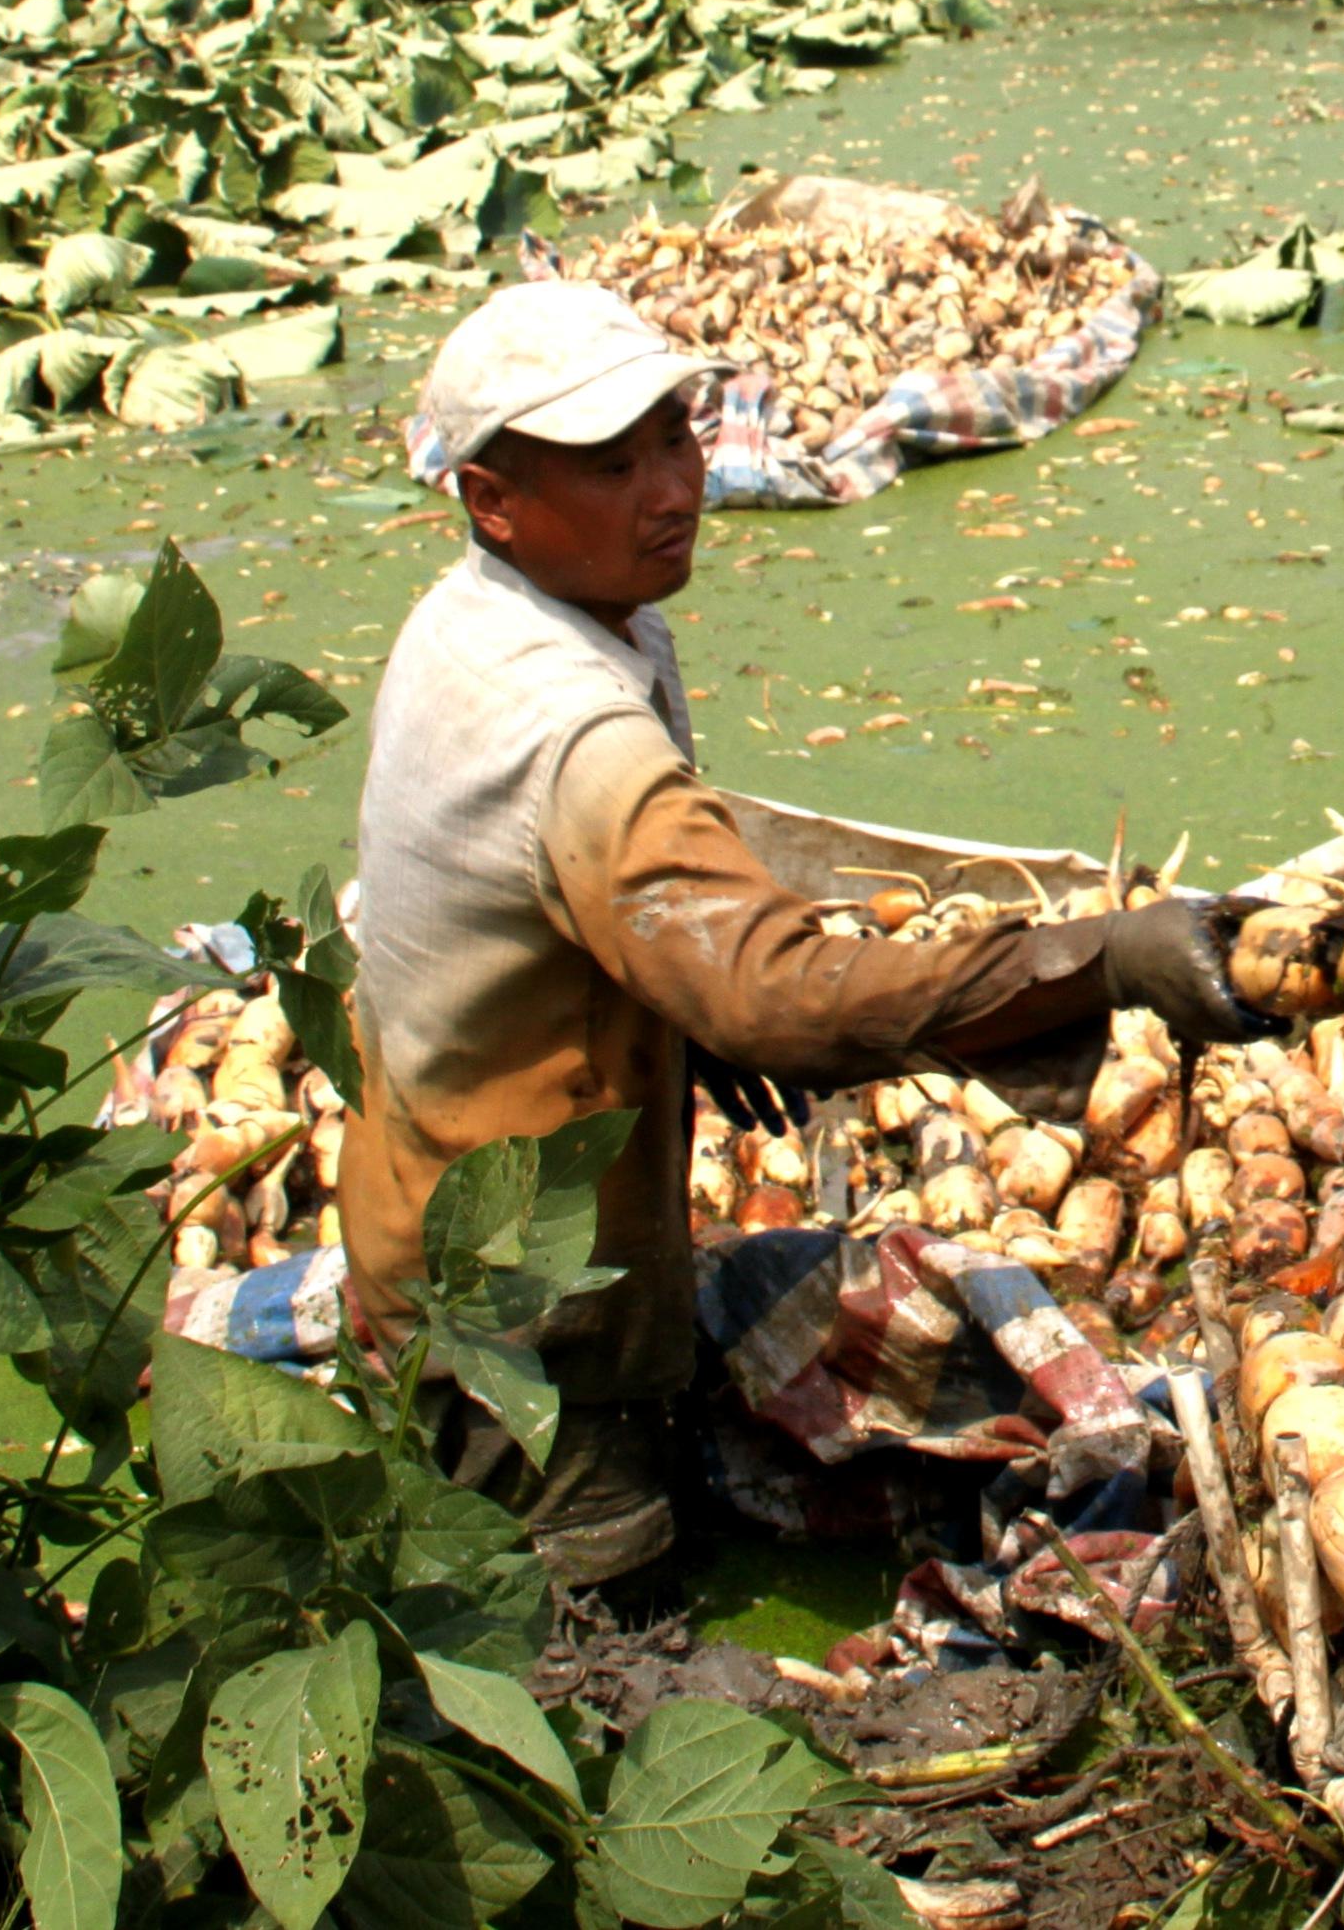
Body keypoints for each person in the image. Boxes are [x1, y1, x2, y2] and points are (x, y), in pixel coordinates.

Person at [349, 279, 1257, 1585]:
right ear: (494, 498)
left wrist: (667, 1007)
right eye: (614, 462)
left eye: (676, 433)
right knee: (585, 1588)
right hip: (512, 1314)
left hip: (481, 1200)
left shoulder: (498, 615)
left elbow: (589, 913)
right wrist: (1102, 957)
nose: (677, 483)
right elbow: (776, 993)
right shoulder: (561, 724)